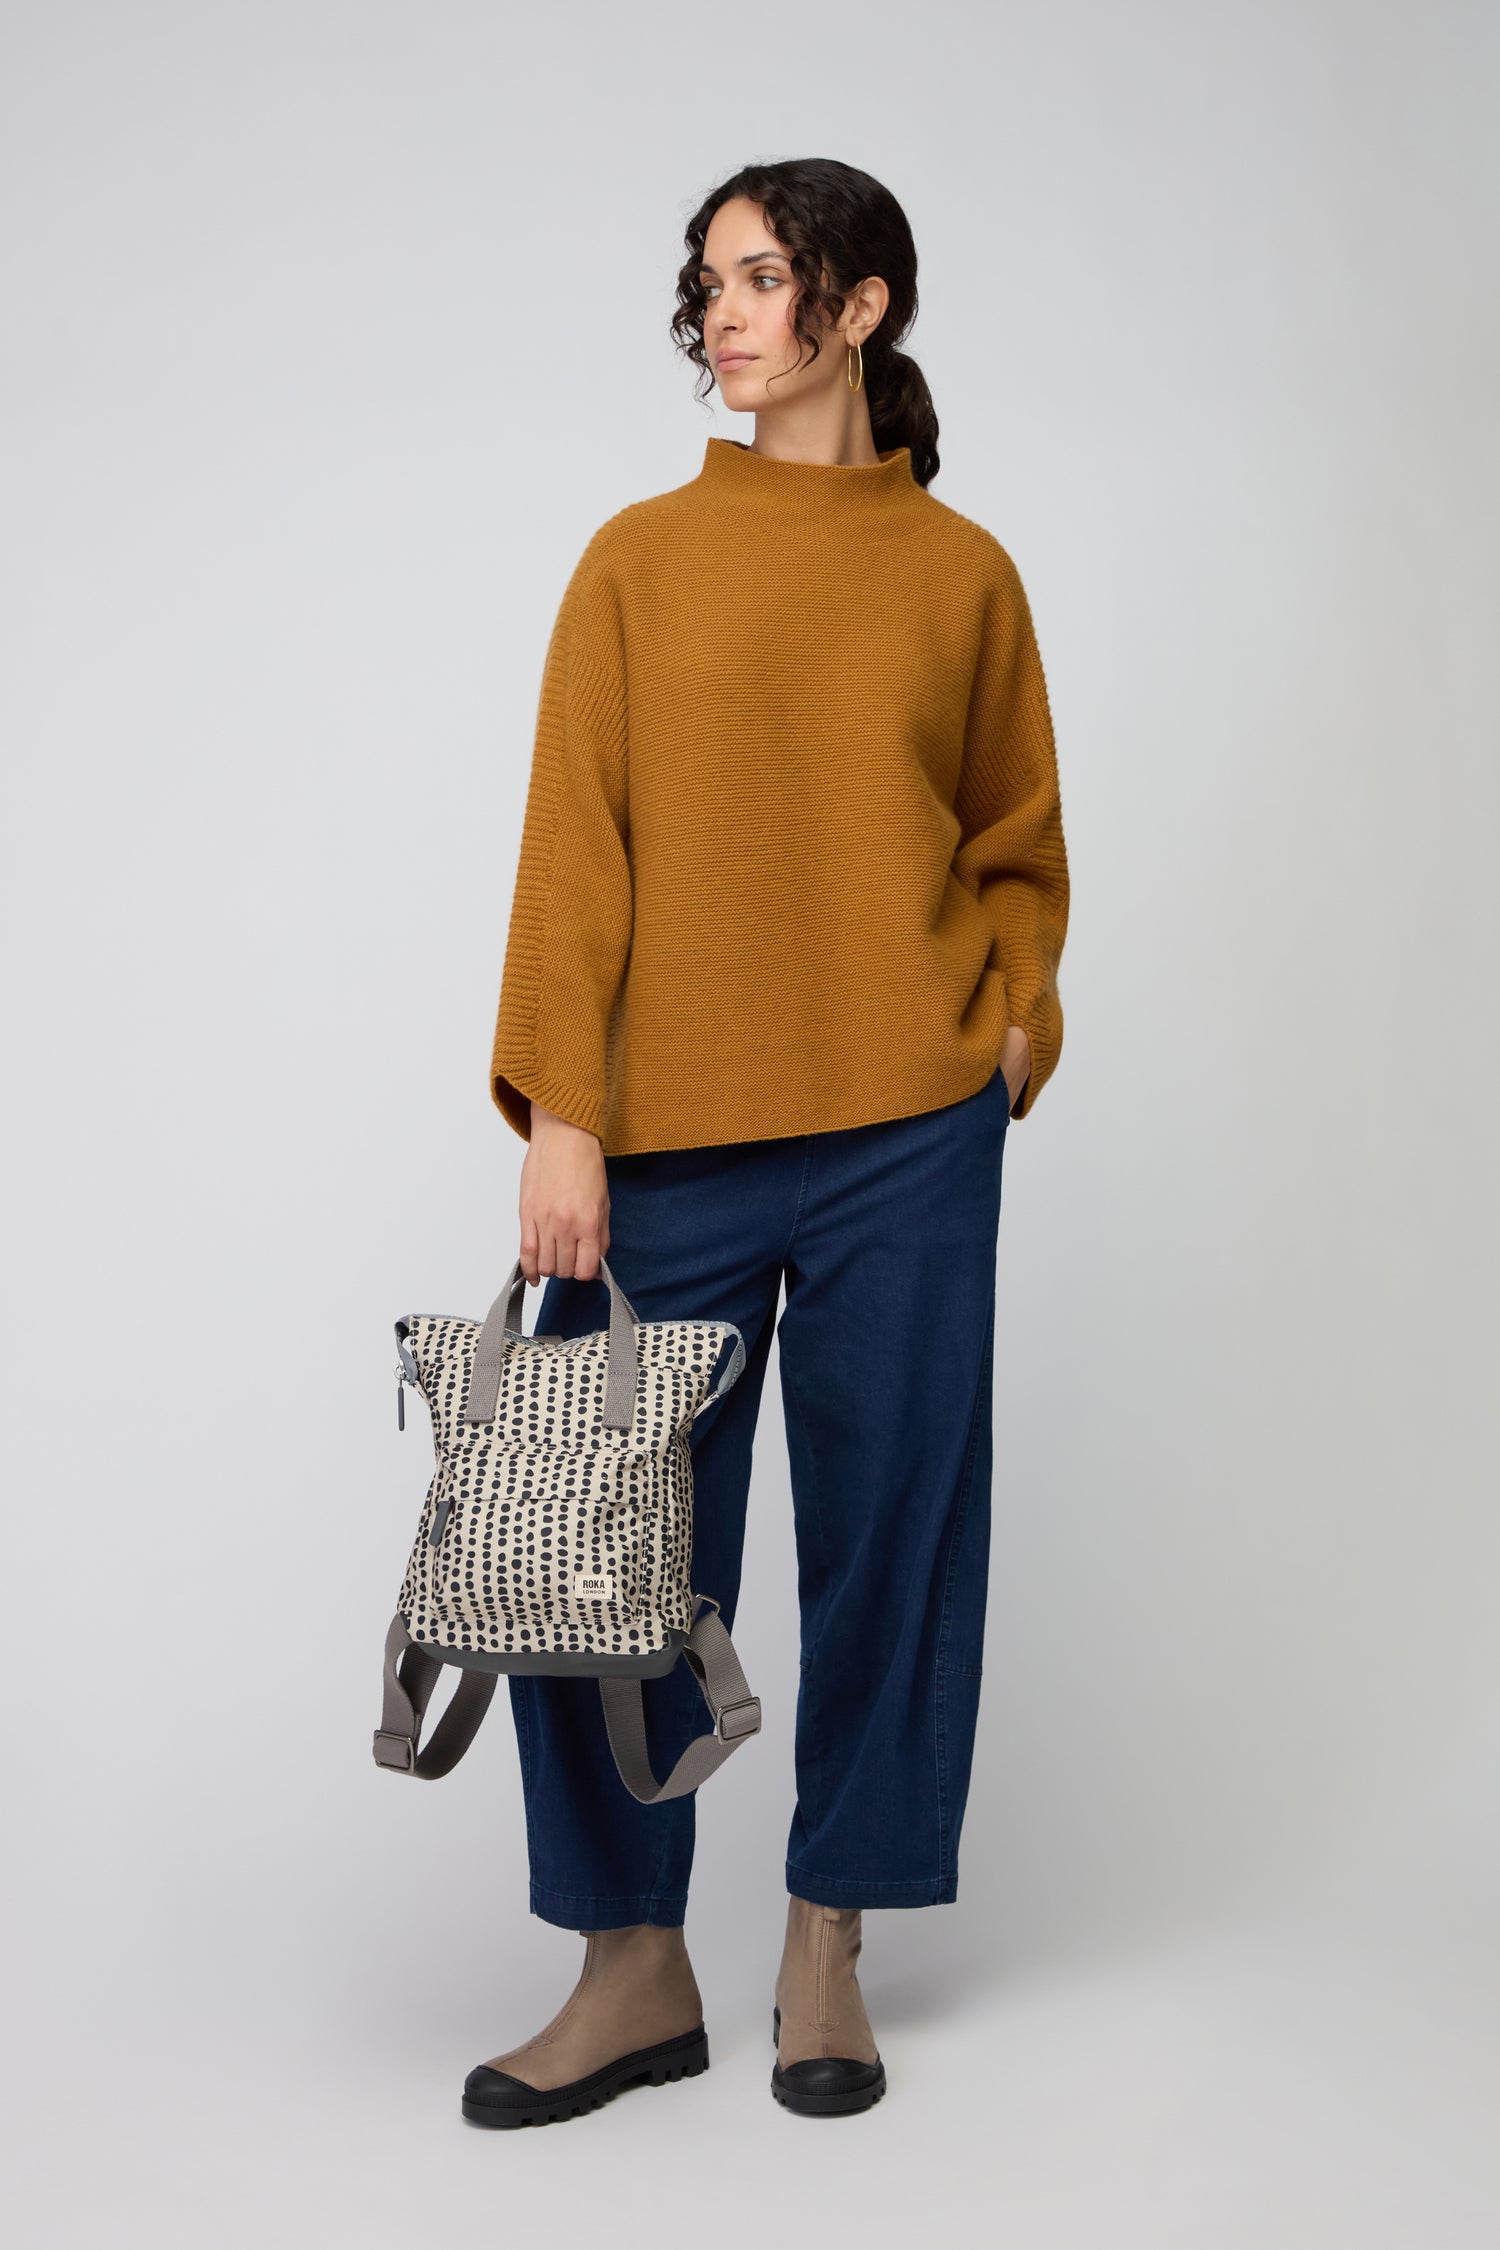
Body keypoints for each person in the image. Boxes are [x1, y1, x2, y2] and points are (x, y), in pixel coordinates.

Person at [462, 156, 1070, 2128]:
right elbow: (579, 848)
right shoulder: (637, 559)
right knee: (595, 1547)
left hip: (910, 1120)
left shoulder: (964, 576)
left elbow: (1014, 845)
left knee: (897, 1537)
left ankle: (829, 1937)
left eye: (758, 279)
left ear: (861, 306)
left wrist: (1004, 1027)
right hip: (670, 1140)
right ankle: (632, 1963)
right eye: (704, 284)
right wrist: (565, 1113)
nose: (719, 316)